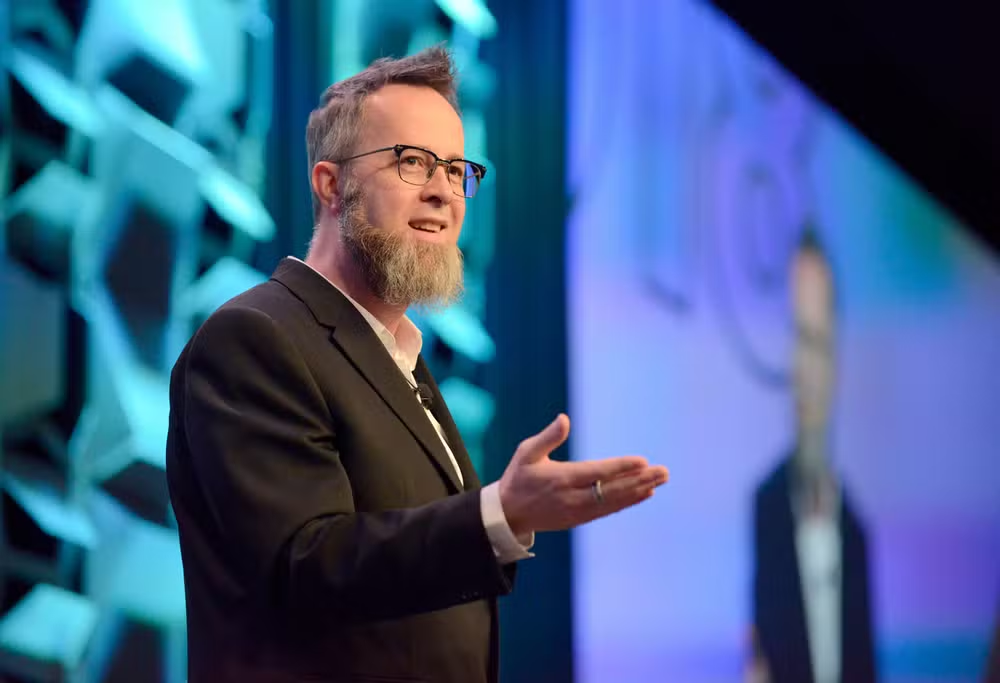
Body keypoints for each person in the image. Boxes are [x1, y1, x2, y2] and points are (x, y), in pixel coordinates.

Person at [165, 46, 668, 683]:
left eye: (457, 170)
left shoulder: (399, 358)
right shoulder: (256, 338)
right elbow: (303, 566)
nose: (443, 192)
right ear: (331, 184)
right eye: (412, 162)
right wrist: (498, 514)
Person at [750, 230, 876, 683]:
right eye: (795, 337)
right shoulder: (767, 508)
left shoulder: (855, 530)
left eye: (816, 342)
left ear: (835, 361)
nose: (802, 365)